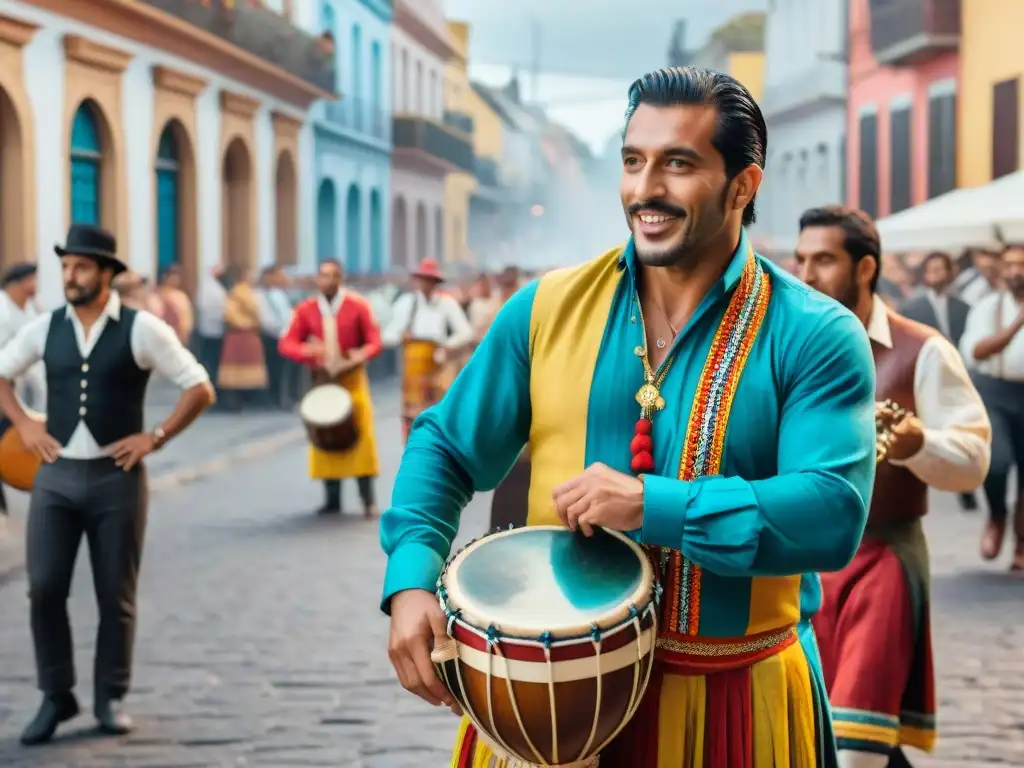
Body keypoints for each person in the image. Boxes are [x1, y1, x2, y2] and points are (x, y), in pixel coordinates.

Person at [381, 67, 877, 766]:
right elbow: (445, 446)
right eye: (633, 161)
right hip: (546, 704)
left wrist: (652, 503)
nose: (646, 189)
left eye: (679, 164)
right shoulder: (544, 308)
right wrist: (409, 580)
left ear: (744, 185)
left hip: (736, 700)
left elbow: (832, 512)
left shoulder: (815, 333)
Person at [0, 224, 214, 745]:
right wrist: (24, 423)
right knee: (44, 586)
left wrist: (156, 436)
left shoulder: (142, 329)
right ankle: (56, 695)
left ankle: (110, 695)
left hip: (117, 479)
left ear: (106, 274)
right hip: (56, 478)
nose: (70, 277)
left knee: (114, 591)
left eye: (81, 268)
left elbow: (199, 387)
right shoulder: (43, 328)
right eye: (66, 267)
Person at [795, 206, 990, 768]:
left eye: (824, 260)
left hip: (883, 559)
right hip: (800, 566)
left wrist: (917, 443)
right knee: (811, 733)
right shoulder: (787, 344)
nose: (806, 275)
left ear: (865, 268)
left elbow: (975, 459)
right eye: (802, 259)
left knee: (857, 746)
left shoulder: (921, 348)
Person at [279, 259, 382, 517]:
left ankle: (367, 498)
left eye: (330, 276)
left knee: (362, 436)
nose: (324, 281)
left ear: (340, 279)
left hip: (352, 378)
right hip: (322, 379)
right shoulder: (306, 310)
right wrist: (307, 352)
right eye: (321, 276)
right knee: (323, 434)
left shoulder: (358, 306)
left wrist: (359, 355)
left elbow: (374, 341)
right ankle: (332, 498)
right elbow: (287, 343)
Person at [959, 245, 1024, 570]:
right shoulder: (988, 307)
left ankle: (1021, 544)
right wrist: (1016, 326)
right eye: (1010, 265)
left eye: (1021, 265)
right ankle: (997, 515)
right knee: (996, 463)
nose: (1015, 271)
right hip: (994, 391)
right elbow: (976, 352)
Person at [899, 251, 978, 512]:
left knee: (958, 431)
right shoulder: (912, 308)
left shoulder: (964, 307)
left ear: (950, 273)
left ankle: (965, 488)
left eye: (940, 270)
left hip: (959, 375)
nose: (935, 275)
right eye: (930, 270)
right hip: (926, 378)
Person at [381, 259, 474, 441]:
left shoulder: (446, 303)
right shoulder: (406, 303)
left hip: (437, 366)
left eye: (430, 280)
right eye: (424, 279)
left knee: (438, 414)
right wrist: (401, 337)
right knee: (412, 417)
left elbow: (465, 333)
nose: (426, 284)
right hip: (413, 372)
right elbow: (388, 335)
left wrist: (447, 346)